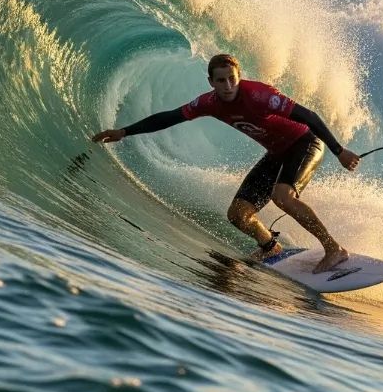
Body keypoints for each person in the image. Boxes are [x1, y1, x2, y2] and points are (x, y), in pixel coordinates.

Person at [91, 54, 360, 273]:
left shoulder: (260, 95)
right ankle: (270, 248)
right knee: (238, 215)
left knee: (283, 197)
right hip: (277, 152)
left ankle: (333, 248)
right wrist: (124, 131)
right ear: (211, 82)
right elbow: (170, 117)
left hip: (306, 142)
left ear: (239, 77)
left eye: (232, 79)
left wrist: (339, 150)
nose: (228, 86)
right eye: (221, 81)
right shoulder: (208, 103)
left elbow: (309, 116)